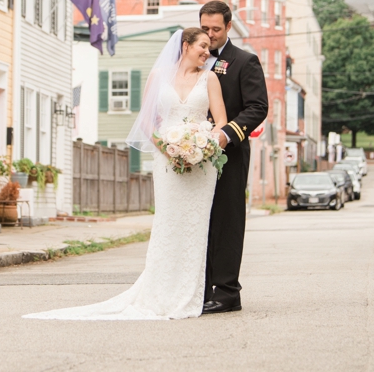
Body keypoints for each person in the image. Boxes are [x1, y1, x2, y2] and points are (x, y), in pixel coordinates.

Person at [24, 27, 228, 320]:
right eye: (203, 46)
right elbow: (146, 122)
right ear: (186, 45)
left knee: (195, 229)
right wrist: (169, 148)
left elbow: (220, 122)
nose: (207, 52)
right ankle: (158, 295)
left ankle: (186, 296)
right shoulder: (159, 77)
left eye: (209, 48)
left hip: (201, 166)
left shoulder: (210, 79)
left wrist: (202, 146)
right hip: (168, 163)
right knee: (167, 226)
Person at [199, 0, 269, 314]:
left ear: (229, 27)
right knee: (199, 222)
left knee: (226, 222)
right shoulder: (190, 60)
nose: (210, 35)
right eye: (204, 28)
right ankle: (199, 289)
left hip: (230, 154)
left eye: (216, 29)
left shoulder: (244, 61)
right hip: (192, 156)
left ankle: (227, 292)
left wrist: (227, 133)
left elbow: (257, 107)